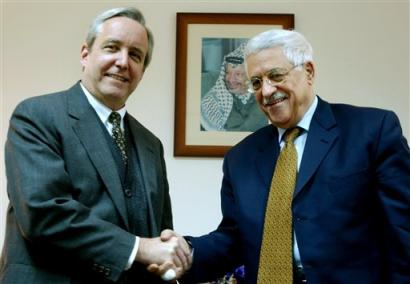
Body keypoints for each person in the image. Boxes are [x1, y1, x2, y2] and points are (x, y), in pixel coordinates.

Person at [158, 29, 410, 283]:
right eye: (256, 82)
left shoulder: (371, 130)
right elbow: (234, 238)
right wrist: (188, 253)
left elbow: (403, 230)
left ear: (308, 72)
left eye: (275, 76)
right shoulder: (240, 158)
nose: (266, 91)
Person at [0, 7, 191, 284]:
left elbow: (158, 235)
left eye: (136, 55)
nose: (123, 62)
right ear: (85, 54)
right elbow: (43, 213)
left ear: (142, 72)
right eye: (112, 48)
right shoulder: (37, 115)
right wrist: (139, 248)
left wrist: (168, 253)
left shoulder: (152, 145)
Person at [200, 43, 267, 132]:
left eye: (238, 74)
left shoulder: (262, 102)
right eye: (228, 72)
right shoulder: (218, 96)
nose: (230, 79)